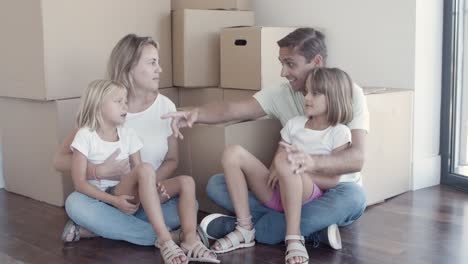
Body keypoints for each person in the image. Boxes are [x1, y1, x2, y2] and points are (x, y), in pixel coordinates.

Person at [162, 27, 369, 249]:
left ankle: (249, 227)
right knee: (216, 185)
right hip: (284, 187)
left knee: (355, 198)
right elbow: (233, 109)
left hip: (335, 191)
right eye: (281, 63)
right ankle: (304, 229)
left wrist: (307, 165)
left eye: (290, 64)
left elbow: (356, 158)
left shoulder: (347, 92)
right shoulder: (282, 94)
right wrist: (196, 114)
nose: (283, 72)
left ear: (316, 61)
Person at [54, 34, 218, 264]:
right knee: (75, 204)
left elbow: (172, 159)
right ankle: (172, 237)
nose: (159, 69)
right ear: (129, 66)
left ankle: (96, 229)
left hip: (147, 197)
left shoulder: (166, 107)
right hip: (105, 198)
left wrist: (151, 185)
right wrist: (97, 171)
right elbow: (59, 161)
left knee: (185, 206)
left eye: (158, 62)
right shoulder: (103, 107)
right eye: (152, 62)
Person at [207, 68, 354, 264]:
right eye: (306, 92)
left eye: (315, 93)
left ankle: (293, 236)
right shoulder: (294, 124)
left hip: (307, 194)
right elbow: (276, 163)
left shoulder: (339, 132)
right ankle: (244, 228)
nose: (307, 97)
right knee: (231, 153)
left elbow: (333, 180)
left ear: (334, 97)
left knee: (289, 163)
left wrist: (296, 172)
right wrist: (280, 170)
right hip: (276, 193)